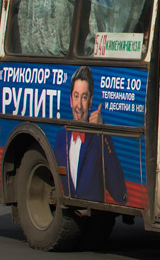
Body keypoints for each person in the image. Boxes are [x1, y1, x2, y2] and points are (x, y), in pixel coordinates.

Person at [54, 65, 126, 203]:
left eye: (84, 97)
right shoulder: (61, 137)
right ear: (70, 100)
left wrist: (102, 131)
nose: (79, 106)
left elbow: (120, 193)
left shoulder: (98, 138)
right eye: (76, 96)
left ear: (90, 102)